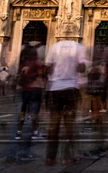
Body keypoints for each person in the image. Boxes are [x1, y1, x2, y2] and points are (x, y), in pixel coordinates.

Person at [43, 36, 87, 166]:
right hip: (71, 88)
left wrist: (54, 73)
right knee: (69, 124)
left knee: (53, 125)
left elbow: (47, 67)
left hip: (54, 88)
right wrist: (72, 66)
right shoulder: (78, 47)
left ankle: (50, 157)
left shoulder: (54, 47)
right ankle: (67, 157)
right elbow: (82, 68)